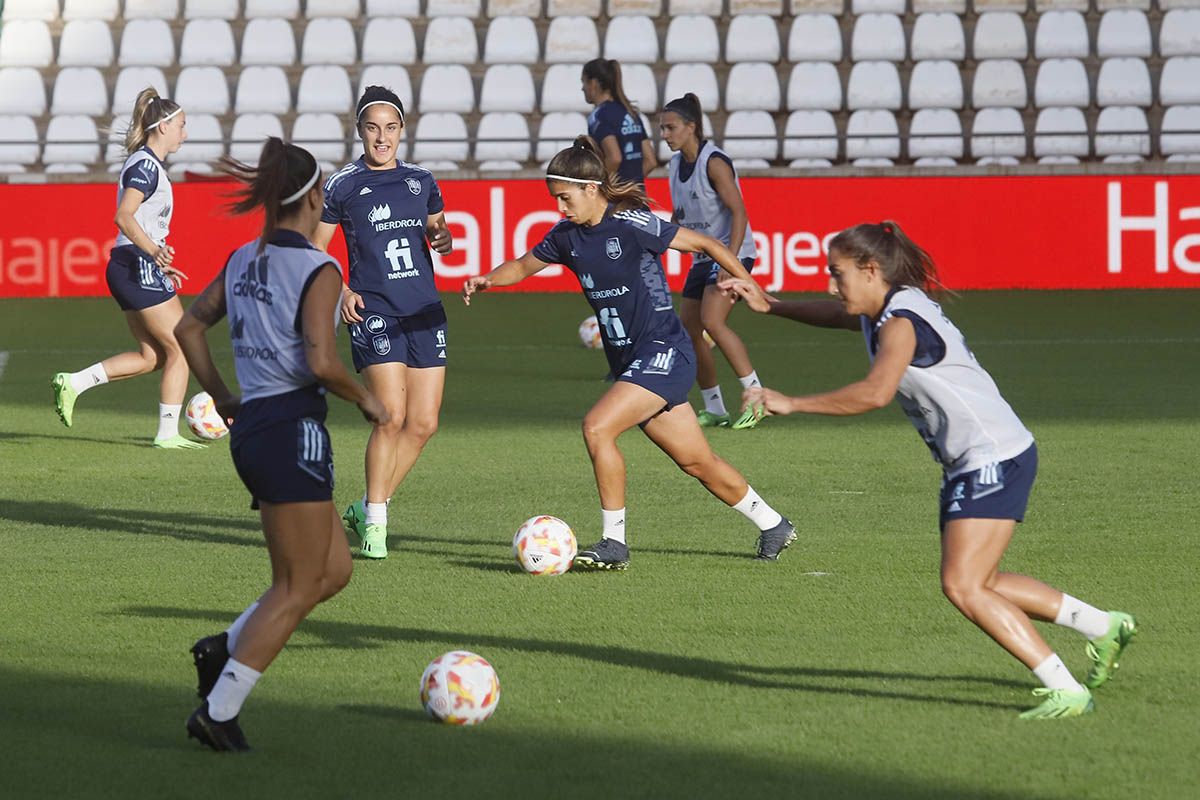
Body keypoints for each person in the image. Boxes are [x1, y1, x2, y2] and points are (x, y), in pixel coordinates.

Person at [721, 221, 1137, 719]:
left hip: (991, 457)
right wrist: (773, 305)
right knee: (981, 580)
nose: (831, 285)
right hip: (980, 457)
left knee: (963, 586)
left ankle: (1065, 688)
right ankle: (1102, 626)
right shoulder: (891, 305)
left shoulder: (900, 324)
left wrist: (791, 402)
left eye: (838, 274)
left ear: (871, 270)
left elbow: (875, 393)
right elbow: (839, 314)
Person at [462, 136, 795, 570]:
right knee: (697, 462)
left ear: (591, 188)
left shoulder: (633, 223)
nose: (560, 208)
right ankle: (773, 523)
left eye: (565, 197)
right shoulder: (566, 236)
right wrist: (488, 278)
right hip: (631, 362)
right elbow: (524, 266)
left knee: (597, 428)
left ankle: (614, 543)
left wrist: (752, 288)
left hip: (665, 351)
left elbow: (708, 245)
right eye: (555, 200)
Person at [174, 138, 388, 751]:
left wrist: (220, 394)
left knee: (334, 569)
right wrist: (366, 399)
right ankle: (218, 710)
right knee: (296, 586)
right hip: (292, 430)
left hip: (259, 432)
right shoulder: (319, 269)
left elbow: (191, 326)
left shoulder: (244, 257)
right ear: (317, 197)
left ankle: (224, 646)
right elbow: (321, 362)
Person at [311, 86, 453, 560]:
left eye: (390, 128)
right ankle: (376, 524)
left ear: (401, 130)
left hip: (424, 309)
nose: (381, 138)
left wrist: (442, 238)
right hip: (373, 311)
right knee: (390, 415)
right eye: (372, 128)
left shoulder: (421, 179)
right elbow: (316, 251)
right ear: (360, 131)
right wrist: (344, 292)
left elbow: (437, 227)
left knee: (424, 422)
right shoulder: (343, 184)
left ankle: (367, 505)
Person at [51, 87, 202, 448]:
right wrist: (154, 252)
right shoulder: (147, 165)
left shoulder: (147, 164)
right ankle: (167, 434)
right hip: (136, 263)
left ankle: (74, 383)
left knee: (152, 356)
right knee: (183, 347)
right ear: (163, 127)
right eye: (182, 125)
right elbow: (123, 216)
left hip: (132, 265)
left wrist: (157, 260)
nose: (185, 132)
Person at [660, 92, 763, 430]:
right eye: (662, 128)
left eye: (670, 127)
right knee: (690, 328)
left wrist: (728, 260)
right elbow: (680, 214)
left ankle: (757, 398)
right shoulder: (675, 165)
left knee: (712, 322)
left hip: (732, 253)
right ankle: (715, 408)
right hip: (703, 257)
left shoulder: (714, 162)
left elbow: (740, 212)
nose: (665, 134)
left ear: (692, 127)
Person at [582, 58, 657, 188]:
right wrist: (630, 187)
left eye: (584, 82)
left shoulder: (599, 116)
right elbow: (650, 161)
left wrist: (606, 190)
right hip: (638, 198)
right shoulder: (631, 112)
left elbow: (614, 158)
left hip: (617, 202)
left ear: (593, 83)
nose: (582, 88)